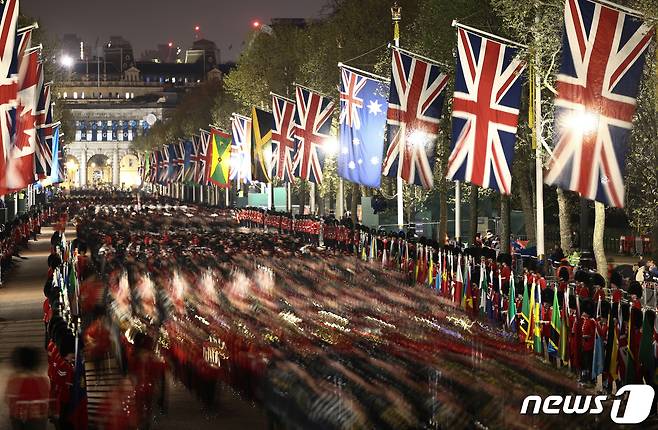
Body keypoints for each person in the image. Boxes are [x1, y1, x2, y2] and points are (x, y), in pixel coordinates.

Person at [4, 347, 50, 430]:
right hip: (37, 418)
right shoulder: (42, 380)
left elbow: (7, 399)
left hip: (18, 417)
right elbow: (45, 400)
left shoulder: (14, 380)